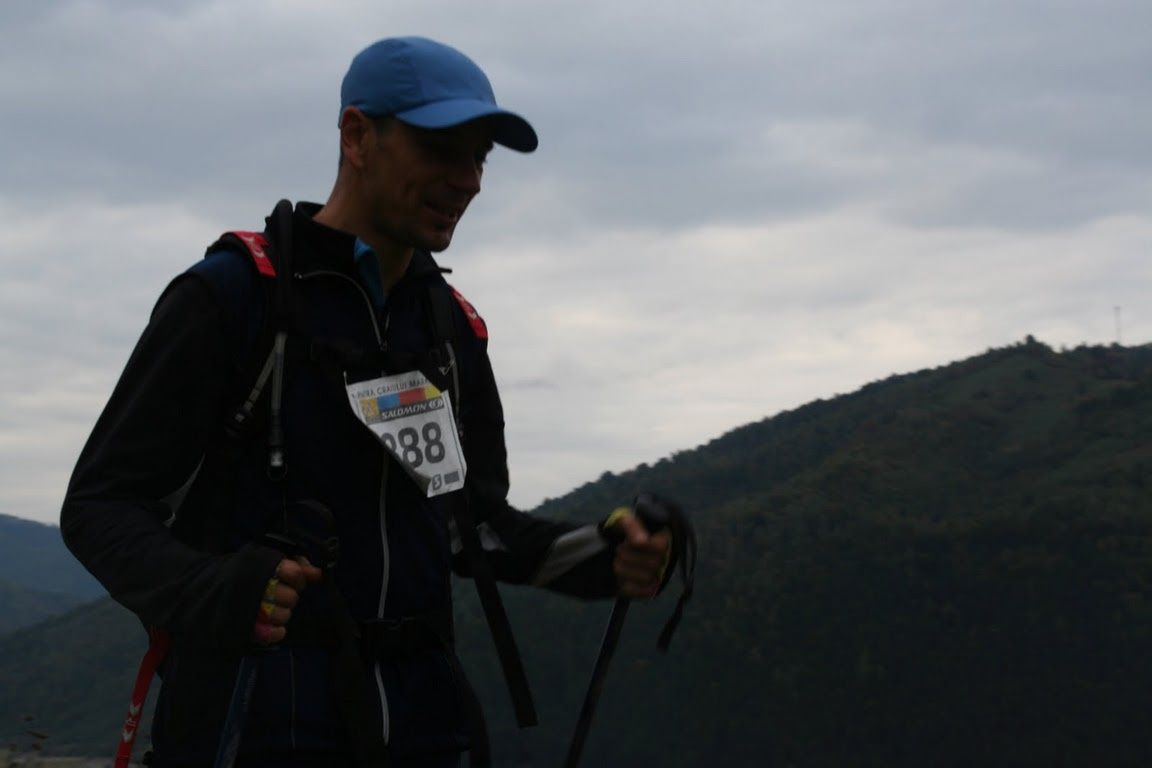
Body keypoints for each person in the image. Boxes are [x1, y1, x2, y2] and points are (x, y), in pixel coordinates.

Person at [61, 36, 677, 768]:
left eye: (480, 156)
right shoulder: (232, 299)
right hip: (253, 726)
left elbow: (467, 526)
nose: (468, 179)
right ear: (358, 135)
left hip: (425, 727)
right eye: (443, 147)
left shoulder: (451, 329)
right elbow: (100, 507)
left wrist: (604, 555)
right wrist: (214, 590)